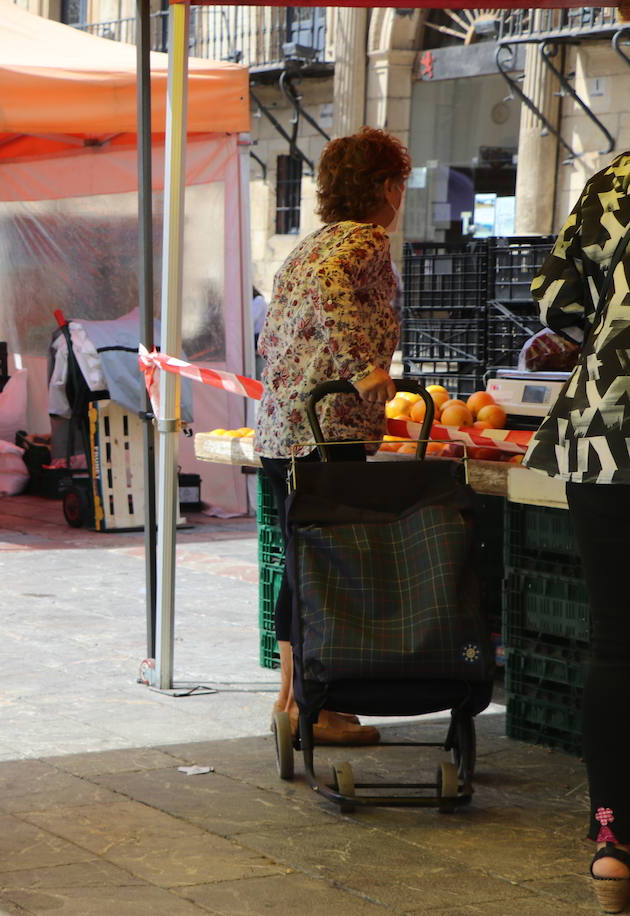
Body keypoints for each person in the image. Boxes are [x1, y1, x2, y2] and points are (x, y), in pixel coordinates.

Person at [254, 127, 411, 747]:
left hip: (285, 429)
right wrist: (365, 368)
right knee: (324, 570)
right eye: (397, 182)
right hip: (324, 431)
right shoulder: (367, 238)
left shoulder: (312, 243)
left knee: (302, 567)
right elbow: (331, 299)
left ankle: (294, 701)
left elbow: (278, 327)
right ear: (384, 187)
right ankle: (319, 711)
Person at [524, 150, 630, 914]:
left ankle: (614, 842)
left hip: (606, 429)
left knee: (618, 641)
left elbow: (556, 300)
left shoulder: (615, 179)